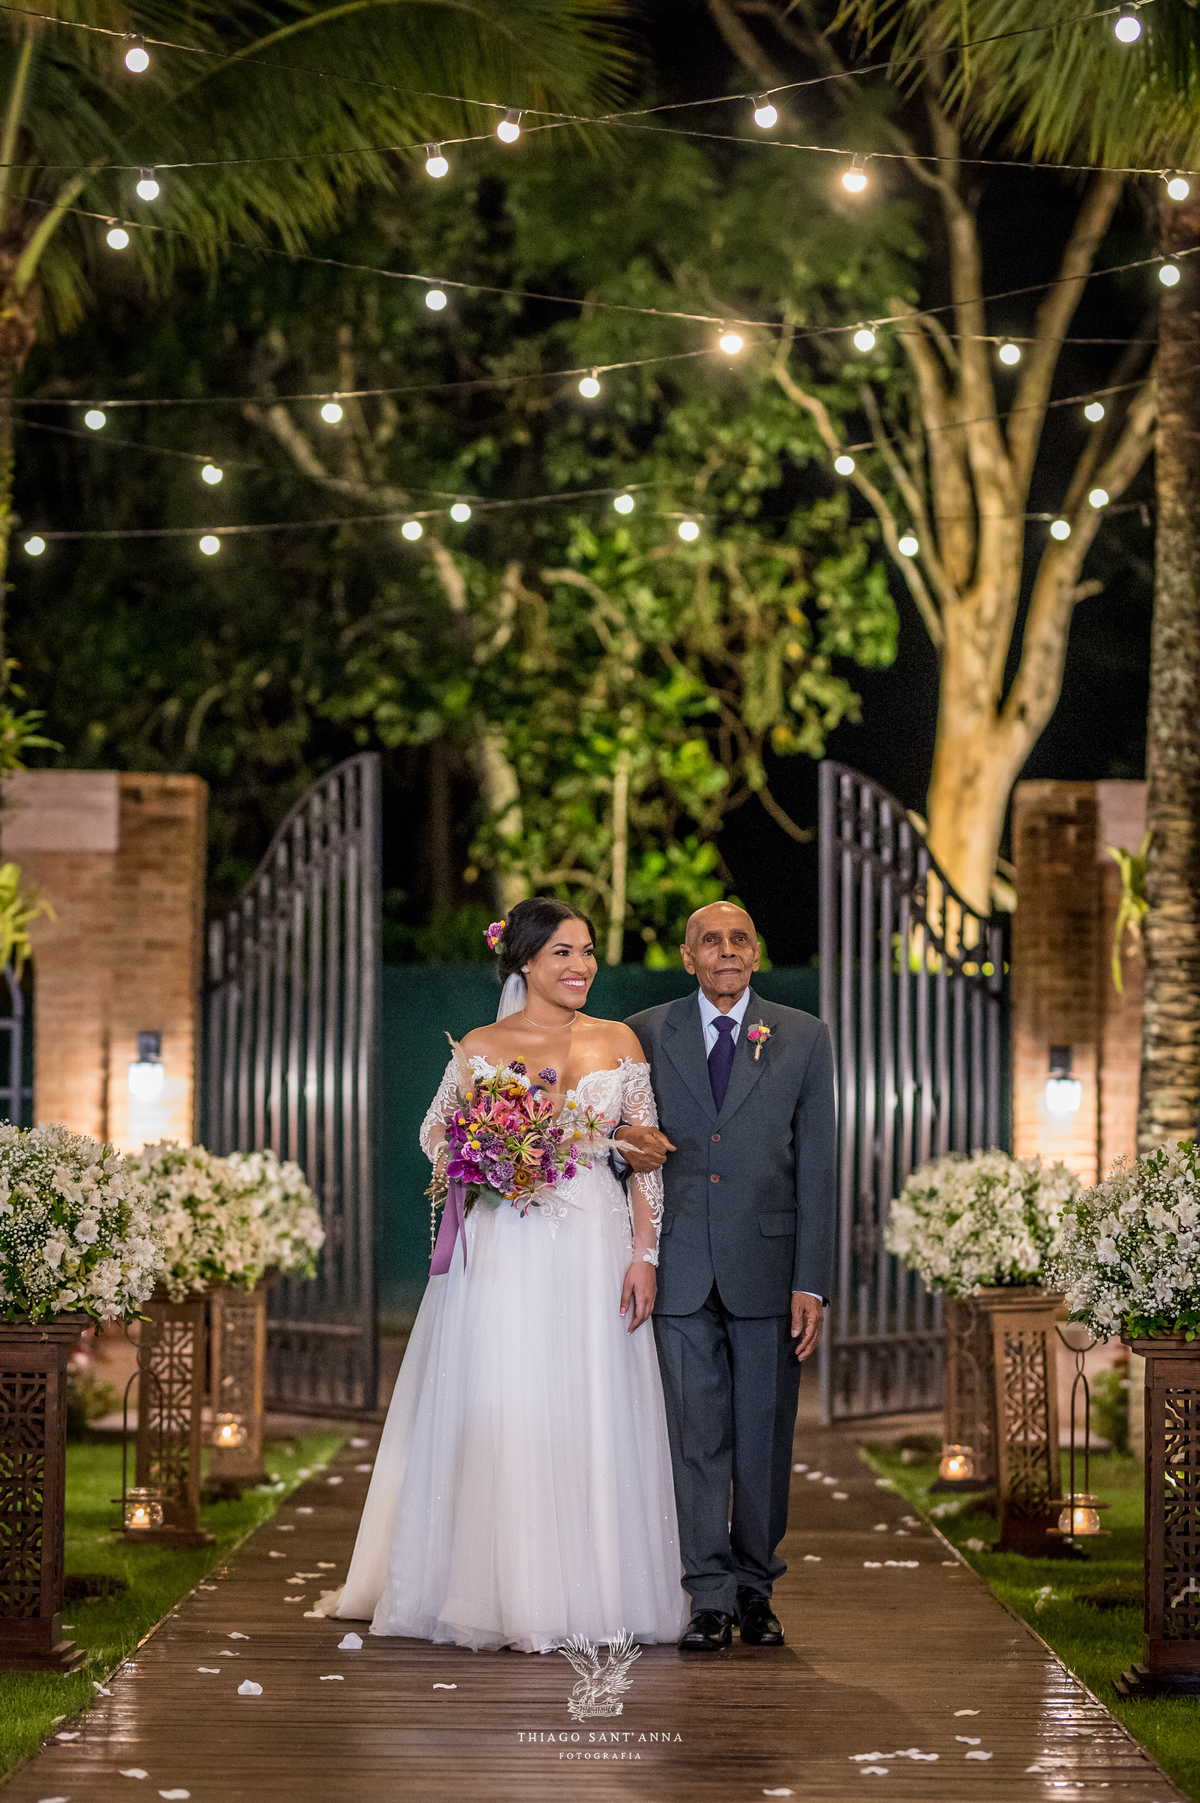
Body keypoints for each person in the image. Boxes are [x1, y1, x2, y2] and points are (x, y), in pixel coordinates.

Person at [327, 897, 688, 1654]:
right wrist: (483, 1149)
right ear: (526, 960)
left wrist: (644, 1254)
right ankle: (502, 1588)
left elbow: (647, 1159)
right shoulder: (484, 1045)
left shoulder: (619, 1041)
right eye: (563, 952)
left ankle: (599, 1587)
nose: (581, 966)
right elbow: (434, 1129)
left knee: (589, 1400)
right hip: (506, 1245)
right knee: (510, 1398)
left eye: (587, 951)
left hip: (594, 1240)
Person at [625, 902, 836, 1653]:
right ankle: (706, 1596)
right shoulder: (646, 1032)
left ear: (756, 953)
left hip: (769, 1271)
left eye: (738, 938)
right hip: (679, 1269)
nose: (725, 950)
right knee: (695, 1440)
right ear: (688, 957)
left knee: (763, 1441)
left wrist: (811, 1279)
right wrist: (624, 1142)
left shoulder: (805, 1036)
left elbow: (818, 1163)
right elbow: (621, 1128)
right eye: (709, 940)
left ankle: (756, 1589)